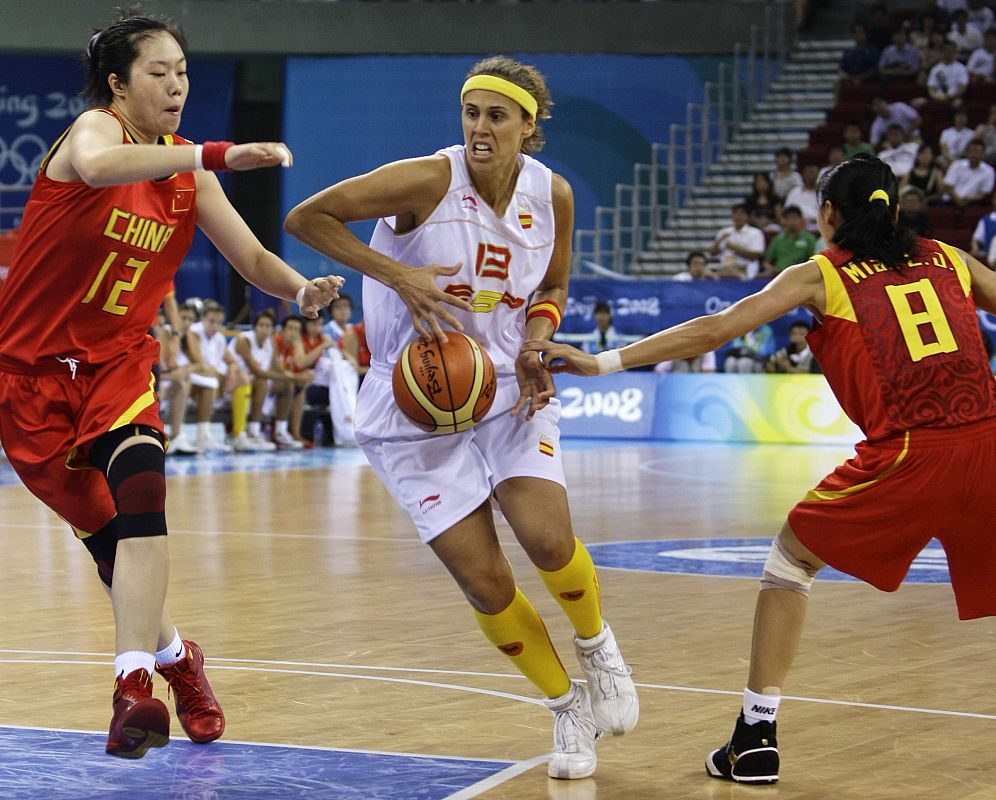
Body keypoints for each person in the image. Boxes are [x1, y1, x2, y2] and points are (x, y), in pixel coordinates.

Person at [524, 153, 996, 785]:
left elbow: (714, 329)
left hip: (910, 452)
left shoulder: (822, 275)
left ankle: (755, 735)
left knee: (791, 562)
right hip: (989, 443)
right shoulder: (949, 258)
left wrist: (604, 362)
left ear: (828, 215)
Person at [284, 55, 638, 780]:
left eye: (497, 116)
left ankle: (598, 645)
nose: (480, 128)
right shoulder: (427, 180)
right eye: (471, 113)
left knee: (546, 537)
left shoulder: (554, 194)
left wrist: (538, 339)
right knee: (484, 581)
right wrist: (396, 273)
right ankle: (565, 706)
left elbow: (557, 284)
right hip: (412, 399)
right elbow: (305, 216)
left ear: (528, 128)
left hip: (507, 383)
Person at [0, 13, 342, 759]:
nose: (177, 83)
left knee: (144, 494)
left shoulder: (187, 173)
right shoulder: (92, 135)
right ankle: (181, 660)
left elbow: (250, 256)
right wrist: (217, 150)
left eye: (183, 71)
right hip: (28, 384)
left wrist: (300, 290)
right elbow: (96, 168)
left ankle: (132, 687)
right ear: (119, 85)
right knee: (113, 551)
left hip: (117, 364)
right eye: (159, 72)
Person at [227, 309, 281, 452]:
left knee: (286, 386)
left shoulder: (271, 343)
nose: (264, 329)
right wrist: (293, 377)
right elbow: (257, 371)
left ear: (272, 329)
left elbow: (277, 369)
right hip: (231, 382)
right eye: (261, 325)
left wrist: (290, 378)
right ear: (255, 327)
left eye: (268, 326)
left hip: (250, 383)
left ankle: (278, 432)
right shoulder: (244, 340)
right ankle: (246, 432)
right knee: (261, 383)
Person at [711, 203, 766, 279]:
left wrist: (735, 248)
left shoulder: (755, 233)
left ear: (747, 216)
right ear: (732, 215)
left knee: (728, 272)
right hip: (725, 267)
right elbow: (712, 253)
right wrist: (719, 241)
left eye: (742, 213)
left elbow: (755, 255)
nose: (738, 216)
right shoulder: (724, 232)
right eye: (735, 213)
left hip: (745, 268)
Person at [761, 205, 818, 276]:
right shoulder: (777, 239)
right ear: (783, 221)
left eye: (794, 217)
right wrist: (771, 269)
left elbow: (813, 260)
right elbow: (766, 261)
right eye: (787, 218)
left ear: (801, 219)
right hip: (778, 274)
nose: (791, 221)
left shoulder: (809, 238)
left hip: (799, 273)